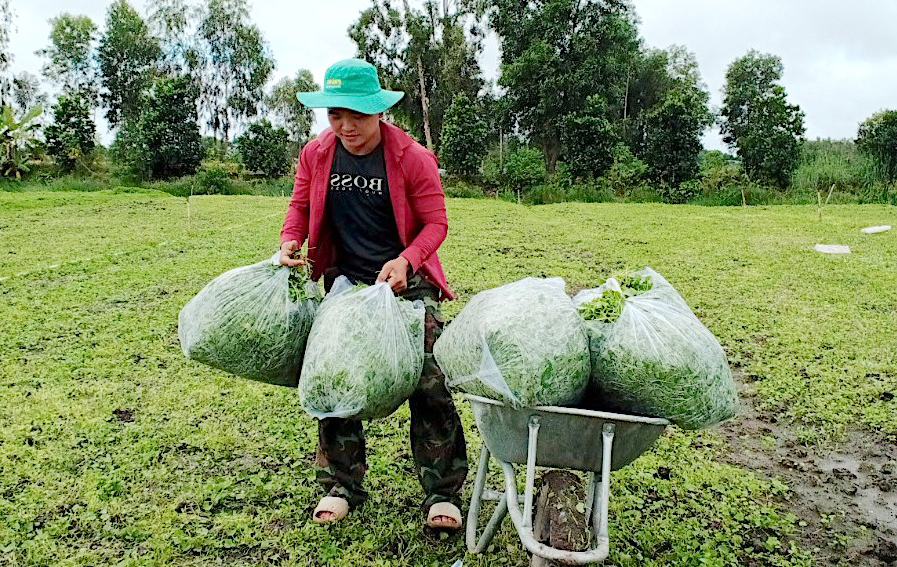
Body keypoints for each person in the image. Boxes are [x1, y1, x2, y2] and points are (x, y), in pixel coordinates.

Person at [278, 58, 468, 529]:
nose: (345, 126)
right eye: (335, 115)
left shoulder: (412, 158)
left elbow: (436, 223)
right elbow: (300, 205)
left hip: (406, 279)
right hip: (348, 279)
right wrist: (289, 240)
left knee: (429, 378)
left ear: (378, 111)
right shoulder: (317, 154)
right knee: (333, 375)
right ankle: (342, 485)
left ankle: (442, 492)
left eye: (356, 115)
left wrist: (406, 261)